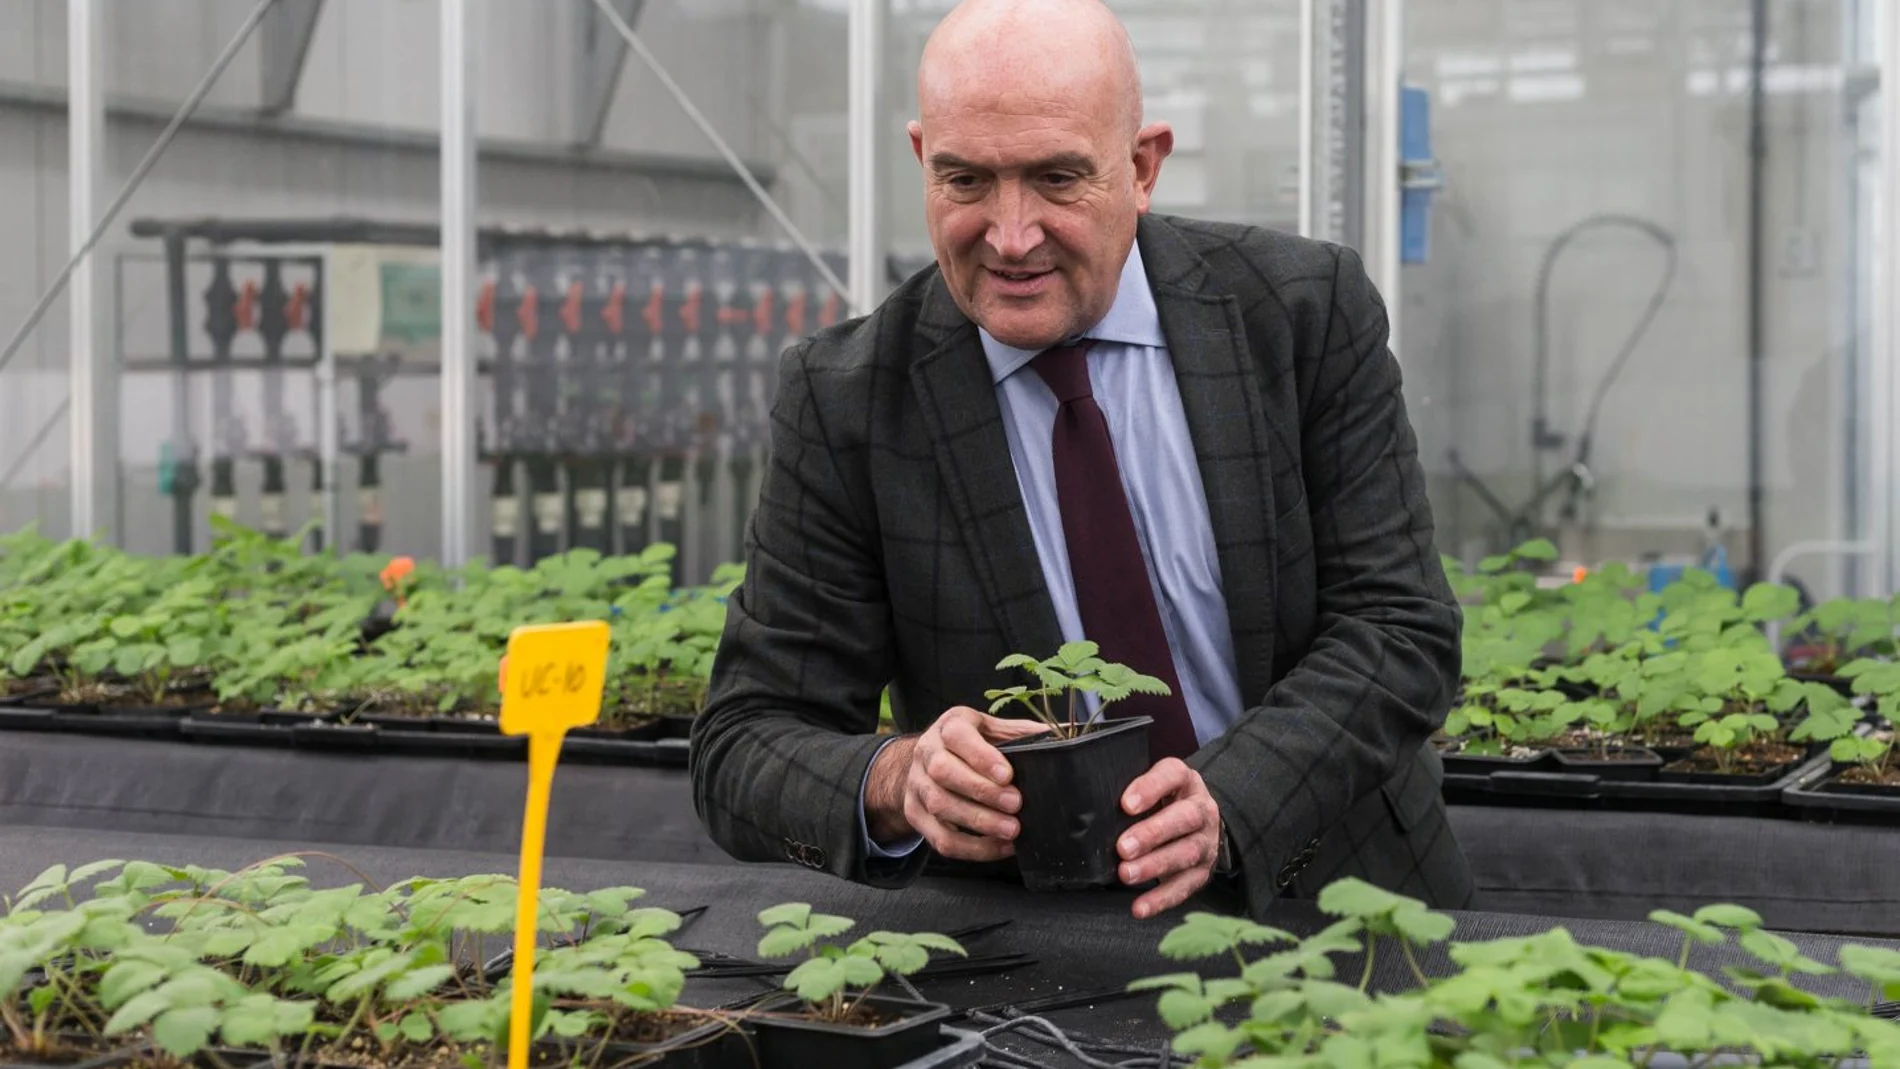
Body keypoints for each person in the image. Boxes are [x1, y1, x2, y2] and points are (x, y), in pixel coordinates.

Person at [690, 0, 1471, 922]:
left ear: (1141, 167)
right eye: (966, 179)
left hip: (1339, 899)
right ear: (921, 162)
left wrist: (1232, 798)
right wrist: (898, 775)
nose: (1011, 234)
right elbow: (744, 738)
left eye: (1057, 178)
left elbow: (1399, 626)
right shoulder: (853, 397)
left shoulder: (1299, 316)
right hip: (1040, 945)